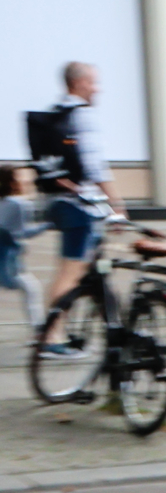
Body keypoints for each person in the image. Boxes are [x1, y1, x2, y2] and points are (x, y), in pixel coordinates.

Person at [38, 61, 123, 329]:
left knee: (81, 269)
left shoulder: (57, 111)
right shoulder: (82, 115)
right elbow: (95, 166)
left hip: (59, 202)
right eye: (92, 83)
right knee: (70, 272)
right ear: (78, 83)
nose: (97, 89)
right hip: (79, 205)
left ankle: (70, 330)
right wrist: (117, 205)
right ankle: (50, 338)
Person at [1, 165, 44, 328]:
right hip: (6, 261)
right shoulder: (18, 204)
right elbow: (23, 232)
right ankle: (39, 332)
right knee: (32, 289)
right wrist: (49, 224)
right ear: (12, 182)